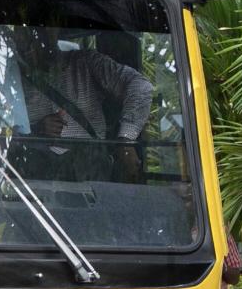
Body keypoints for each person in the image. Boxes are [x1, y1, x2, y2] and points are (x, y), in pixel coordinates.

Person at [8, 26, 153, 182]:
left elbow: (141, 86)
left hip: (90, 175)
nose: (34, 44)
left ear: (55, 32)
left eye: (39, 35)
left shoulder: (85, 62)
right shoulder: (10, 76)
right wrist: (37, 130)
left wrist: (125, 141)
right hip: (36, 180)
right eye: (25, 38)